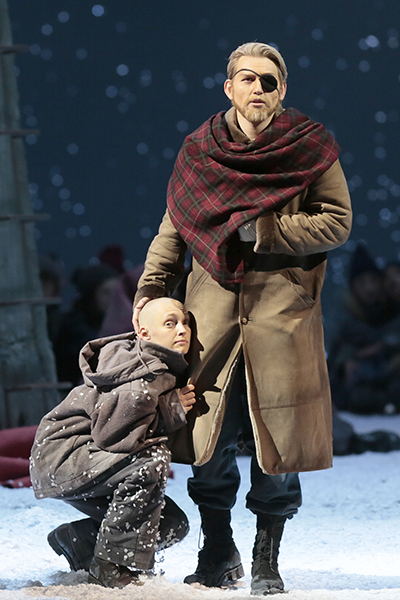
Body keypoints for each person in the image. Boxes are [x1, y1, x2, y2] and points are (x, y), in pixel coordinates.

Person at [133, 42, 352, 595]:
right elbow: (175, 226)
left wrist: (268, 231)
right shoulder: (199, 152)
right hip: (210, 318)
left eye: (270, 81)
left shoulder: (309, 147)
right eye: (247, 79)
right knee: (205, 439)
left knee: (277, 445)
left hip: (282, 316)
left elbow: (337, 221)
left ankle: (266, 557)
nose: (259, 89)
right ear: (228, 87)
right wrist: (150, 293)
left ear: (282, 92)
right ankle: (218, 549)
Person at [30, 297, 196, 588]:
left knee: (171, 523)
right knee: (152, 458)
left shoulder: (157, 367)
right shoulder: (142, 377)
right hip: (65, 456)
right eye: (170, 323)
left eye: (185, 323)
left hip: (88, 457)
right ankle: (110, 566)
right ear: (144, 334)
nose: (182, 330)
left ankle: (80, 541)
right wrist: (169, 411)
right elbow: (115, 437)